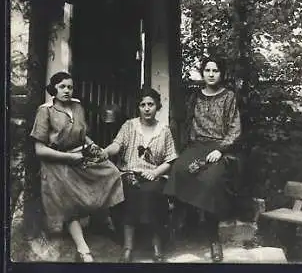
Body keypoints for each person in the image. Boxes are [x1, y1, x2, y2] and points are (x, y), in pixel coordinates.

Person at [30, 71, 124, 262]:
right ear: (53, 88)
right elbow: (39, 150)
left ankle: (102, 220)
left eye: (70, 87)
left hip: (79, 155)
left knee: (112, 172)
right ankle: (83, 249)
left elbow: (82, 135)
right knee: (68, 198)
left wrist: (93, 146)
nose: (67, 90)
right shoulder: (45, 110)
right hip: (55, 162)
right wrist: (67, 157)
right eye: (62, 86)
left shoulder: (78, 106)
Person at [164, 55, 242, 263]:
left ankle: (213, 237)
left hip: (219, 148)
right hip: (196, 146)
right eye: (207, 70)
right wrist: (185, 149)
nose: (211, 74)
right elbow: (186, 124)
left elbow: (235, 128)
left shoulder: (229, 97)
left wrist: (222, 149)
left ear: (221, 74)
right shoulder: (194, 96)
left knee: (210, 182)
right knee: (179, 170)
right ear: (202, 72)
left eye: (215, 71)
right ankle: (178, 229)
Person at [103, 87, 177, 263]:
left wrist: (155, 172)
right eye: (142, 104)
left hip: (154, 175)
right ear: (138, 107)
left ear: (157, 106)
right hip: (130, 172)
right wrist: (105, 152)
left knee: (152, 192)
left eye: (150, 104)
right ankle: (128, 247)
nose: (146, 108)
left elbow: (171, 159)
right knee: (132, 190)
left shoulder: (164, 130)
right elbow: (117, 145)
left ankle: (157, 246)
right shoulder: (129, 126)